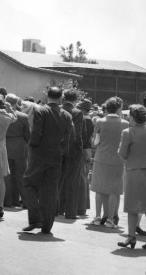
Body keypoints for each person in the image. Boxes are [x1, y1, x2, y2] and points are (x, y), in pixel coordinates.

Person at [21, 87, 73, 234]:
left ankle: (36, 217)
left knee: (28, 184)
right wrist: (61, 151)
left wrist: (32, 146)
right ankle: (47, 226)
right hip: (56, 155)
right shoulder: (67, 115)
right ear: (61, 98)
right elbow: (68, 138)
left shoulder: (41, 111)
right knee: (50, 190)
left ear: (47, 96)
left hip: (39, 153)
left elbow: (36, 134)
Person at [90, 97, 129, 228]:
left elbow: (95, 142)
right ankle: (110, 220)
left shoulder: (100, 121)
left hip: (101, 158)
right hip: (117, 159)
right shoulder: (125, 123)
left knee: (99, 189)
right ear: (118, 108)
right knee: (114, 190)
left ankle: (96, 217)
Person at [117, 105, 146, 249]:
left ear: (133, 117)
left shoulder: (128, 132)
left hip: (134, 171)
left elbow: (122, 154)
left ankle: (131, 237)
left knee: (132, 207)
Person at [57, 89, 85, 219]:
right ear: (76, 99)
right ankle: (70, 212)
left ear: (64, 97)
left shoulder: (57, 110)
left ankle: (57, 209)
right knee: (72, 182)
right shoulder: (77, 113)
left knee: (58, 180)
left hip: (57, 149)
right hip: (73, 151)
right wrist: (80, 149)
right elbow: (78, 134)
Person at [3, 94, 31, 208]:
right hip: (20, 146)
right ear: (17, 103)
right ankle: (25, 201)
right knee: (20, 175)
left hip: (5, 145)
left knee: (7, 176)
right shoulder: (23, 116)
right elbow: (28, 135)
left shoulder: (1, 114)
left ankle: (8, 201)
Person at [77, 99, 94, 215]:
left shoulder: (84, 120)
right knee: (84, 178)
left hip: (82, 150)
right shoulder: (90, 120)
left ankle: (81, 207)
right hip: (87, 150)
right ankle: (83, 206)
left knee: (81, 178)